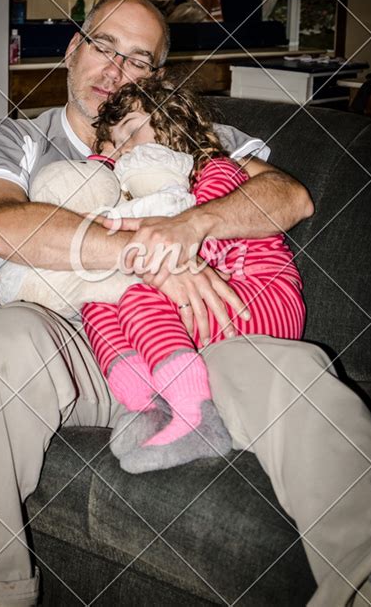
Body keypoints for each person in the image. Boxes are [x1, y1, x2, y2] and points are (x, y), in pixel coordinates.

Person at [0, 0, 371, 607]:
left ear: (156, 76)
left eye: (138, 59)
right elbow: (1, 224)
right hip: (69, 340)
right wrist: (143, 256)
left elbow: (288, 198)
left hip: (194, 336)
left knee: (290, 364)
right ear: (74, 50)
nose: (116, 70)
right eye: (103, 46)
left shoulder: (190, 130)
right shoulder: (15, 137)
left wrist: (187, 231)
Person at [82, 74, 305, 474]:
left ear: (172, 126)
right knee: (98, 299)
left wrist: (128, 226)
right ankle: (149, 405)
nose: (123, 151)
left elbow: (201, 251)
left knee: (136, 296)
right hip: (214, 307)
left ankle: (196, 415)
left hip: (259, 302)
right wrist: (99, 176)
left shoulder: (213, 172)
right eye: (112, 145)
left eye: (132, 133)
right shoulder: (141, 190)